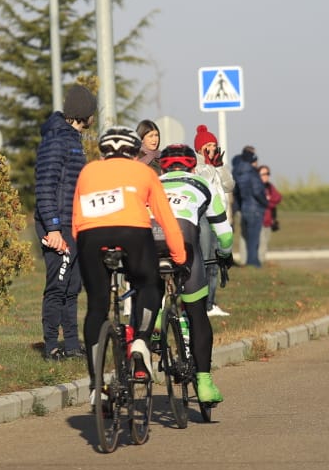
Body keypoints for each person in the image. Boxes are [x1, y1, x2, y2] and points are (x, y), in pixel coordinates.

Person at [73, 127, 187, 395]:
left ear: (103, 151)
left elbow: (76, 221)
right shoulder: (145, 172)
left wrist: (85, 250)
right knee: (148, 285)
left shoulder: (88, 171)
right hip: (134, 233)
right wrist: (180, 256)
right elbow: (166, 218)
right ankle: (141, 341)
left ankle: (96, 386)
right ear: (135, 151)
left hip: (91, 236)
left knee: (96, 307)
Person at [156, 143, 233, 406]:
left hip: (149, 241)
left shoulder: (153, 181)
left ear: (162, 166)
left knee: (149, 293)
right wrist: (224, 254)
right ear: (192, 164)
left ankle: (154, 324)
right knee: (197, 314)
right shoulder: (202, 183)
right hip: (185, 244)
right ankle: (204, 383)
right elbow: (224, 232)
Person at [33, 84, 95, 359]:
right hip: (58, 226)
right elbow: (45, 186)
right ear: (84, 113)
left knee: (72, 287)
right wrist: (54, 228)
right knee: (57, 287)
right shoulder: (57, 140)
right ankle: (51, 345)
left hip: (74, 225)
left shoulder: (73, 140)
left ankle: (71, 344)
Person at [193, 123, 232, 316]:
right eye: (207, 145)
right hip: (204, 219)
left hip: (220, 217)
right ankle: (201, 304)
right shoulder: (196, 164)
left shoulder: (217, 164)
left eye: (214, 145)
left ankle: (211, 302)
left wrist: (220, 167)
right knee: (206, 260)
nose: (212, 148)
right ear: (199, 147)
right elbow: (203, 181)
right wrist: (208, 164)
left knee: (216, 262)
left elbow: (229, 185)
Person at [231, 144, 267, 266]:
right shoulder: (252, 173)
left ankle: (251, 261)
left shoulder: (238, 172)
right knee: (254, 239)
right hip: (255, 208)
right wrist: (265, 202)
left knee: (248, 237)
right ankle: (253, 262)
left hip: (245, 207)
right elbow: (257, 191)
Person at [259, 163, 282, 263]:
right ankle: (259, 263)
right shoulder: (257, 187)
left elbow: (278, 198)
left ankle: (261, 262)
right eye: (263, 174)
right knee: (261, 243)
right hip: (259, 221)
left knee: (266, 243)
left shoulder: (270, 186)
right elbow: (261, 202)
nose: (266, 176)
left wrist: (269, 201)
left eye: (267, 173)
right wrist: (268, 201)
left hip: (269, 221)